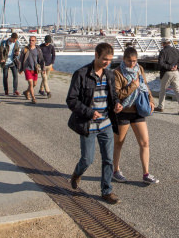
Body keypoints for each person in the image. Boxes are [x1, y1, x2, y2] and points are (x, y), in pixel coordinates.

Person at [66, 43, 123, 204]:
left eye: (110, 60)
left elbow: (113, 96)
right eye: (105, 59)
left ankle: (107, 191)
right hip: (88, 125)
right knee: (87, 160)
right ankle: (77, 173)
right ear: (96, 55)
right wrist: (90, 112)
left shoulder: (110, 75)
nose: (107, 63)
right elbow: (71, 100)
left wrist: (117, 104)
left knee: (108, 160)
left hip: (106, 124)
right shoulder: (81, 74)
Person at [112, 47, 159, 184]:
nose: (132, 64)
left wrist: (151, 100)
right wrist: (133, 85)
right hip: (123, 112)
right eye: (129, 61)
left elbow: (145, 86)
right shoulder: (117, 73)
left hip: (138, 111)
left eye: (134, 61)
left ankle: (146, 174)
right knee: (119, 143)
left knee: (145, 142)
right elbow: (118, 95)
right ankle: (116, 170)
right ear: (123, 59)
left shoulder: (139, 69)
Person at [157, 38, 179, 114]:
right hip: (176, 72)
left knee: (163, 90)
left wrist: (169, 67)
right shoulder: (176, 50)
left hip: (167, 73)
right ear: (169, 43)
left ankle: (160, 107)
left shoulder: (163, 51)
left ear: (163, 44)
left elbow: (160, 63)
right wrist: (177, 66)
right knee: (177, 90)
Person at [18, 35, 45, 104]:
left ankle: (26, 92)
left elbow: (41, 59)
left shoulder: (38, 50)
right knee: (30, 83)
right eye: (30, 40)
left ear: (35, 41)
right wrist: (20, 68)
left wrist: (43, 68)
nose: (31, 42)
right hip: (27, 68)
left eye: (32, 40)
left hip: (35, 69)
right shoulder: (25, 49)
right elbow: (21, 59)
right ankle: (33, 98)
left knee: (34, 84)